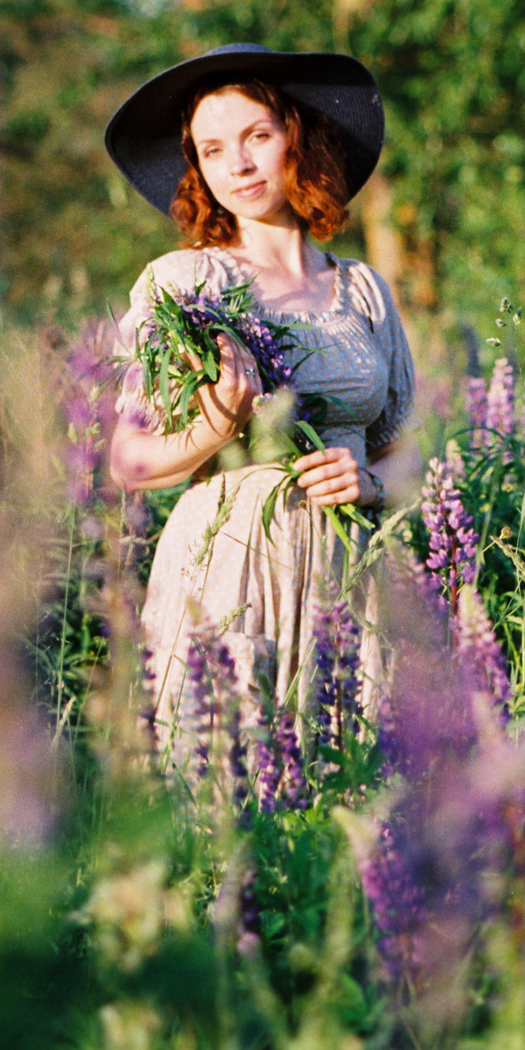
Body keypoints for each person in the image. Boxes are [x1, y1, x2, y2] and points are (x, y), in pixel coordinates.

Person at [102, 44, 416, 748]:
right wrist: (212, 428)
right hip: (229, 575)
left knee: (359, 808)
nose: (237, 166)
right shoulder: (183, 284)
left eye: (257, 137)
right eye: (212, 150)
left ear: (299, 136)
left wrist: (367, 482)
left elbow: (408, 457)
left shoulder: (362, 290)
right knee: (225, 811)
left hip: (349, 581)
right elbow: (128, 460)